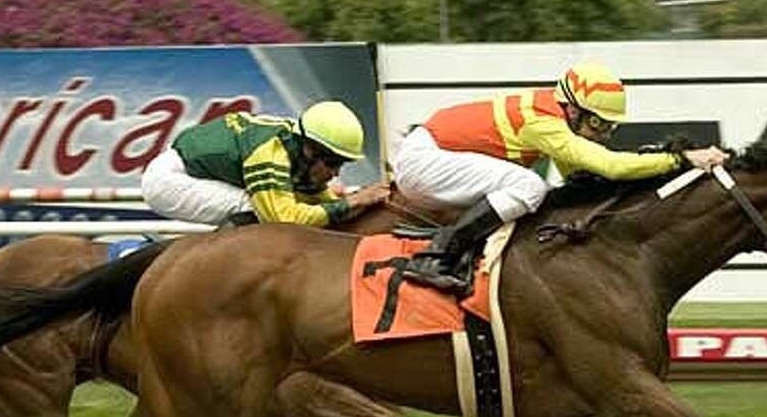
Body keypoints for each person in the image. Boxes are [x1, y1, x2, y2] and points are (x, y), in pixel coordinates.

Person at [392, 61, 729, 292]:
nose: (604, 133)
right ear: (572, 108)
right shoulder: (544, 122)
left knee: (541, 192)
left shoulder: (552, 114)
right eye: (598, 123)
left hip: (433, 155)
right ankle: (437, 256)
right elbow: (610, 166)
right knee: (529, 187)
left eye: (610, 125)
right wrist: (681, 159)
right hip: (425, 161)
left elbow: (580, 177)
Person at [142, 100, 388, 229]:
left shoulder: (300, 149)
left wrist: (358, 201)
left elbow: (326, 206)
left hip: (199, 174)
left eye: (341, 165)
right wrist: (353, 201)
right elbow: (284, 220)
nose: (335, 173)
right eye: (332, 163)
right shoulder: (271, 152)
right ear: (310, 149)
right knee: (257, 209)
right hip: (170, 180)